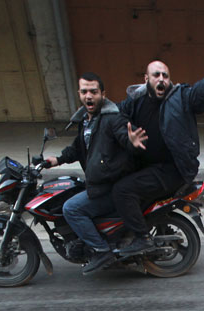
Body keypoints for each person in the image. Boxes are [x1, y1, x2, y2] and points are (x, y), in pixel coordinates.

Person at [110, 33, 204, 258]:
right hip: (146, 167)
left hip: (172, 170)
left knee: (122, 191)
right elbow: (115, 116)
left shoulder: (181, 98)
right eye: (156, 75)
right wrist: (121, 133)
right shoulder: (135, 102)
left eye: (165, 75)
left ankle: (141, 238)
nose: (161, 79)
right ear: (146, 79)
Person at [44, 73, 146, 274]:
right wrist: (55, 160)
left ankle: (101, 250)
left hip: (111, 187)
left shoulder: (112, 118)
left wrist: (132, 142)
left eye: (93, 91)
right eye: (84, 92)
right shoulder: (86, 120)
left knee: (71, 208)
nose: (89, 96)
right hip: (99, 183)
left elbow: (125, 135)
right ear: (79, 94)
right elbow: (78, 148)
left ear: (103, 94)